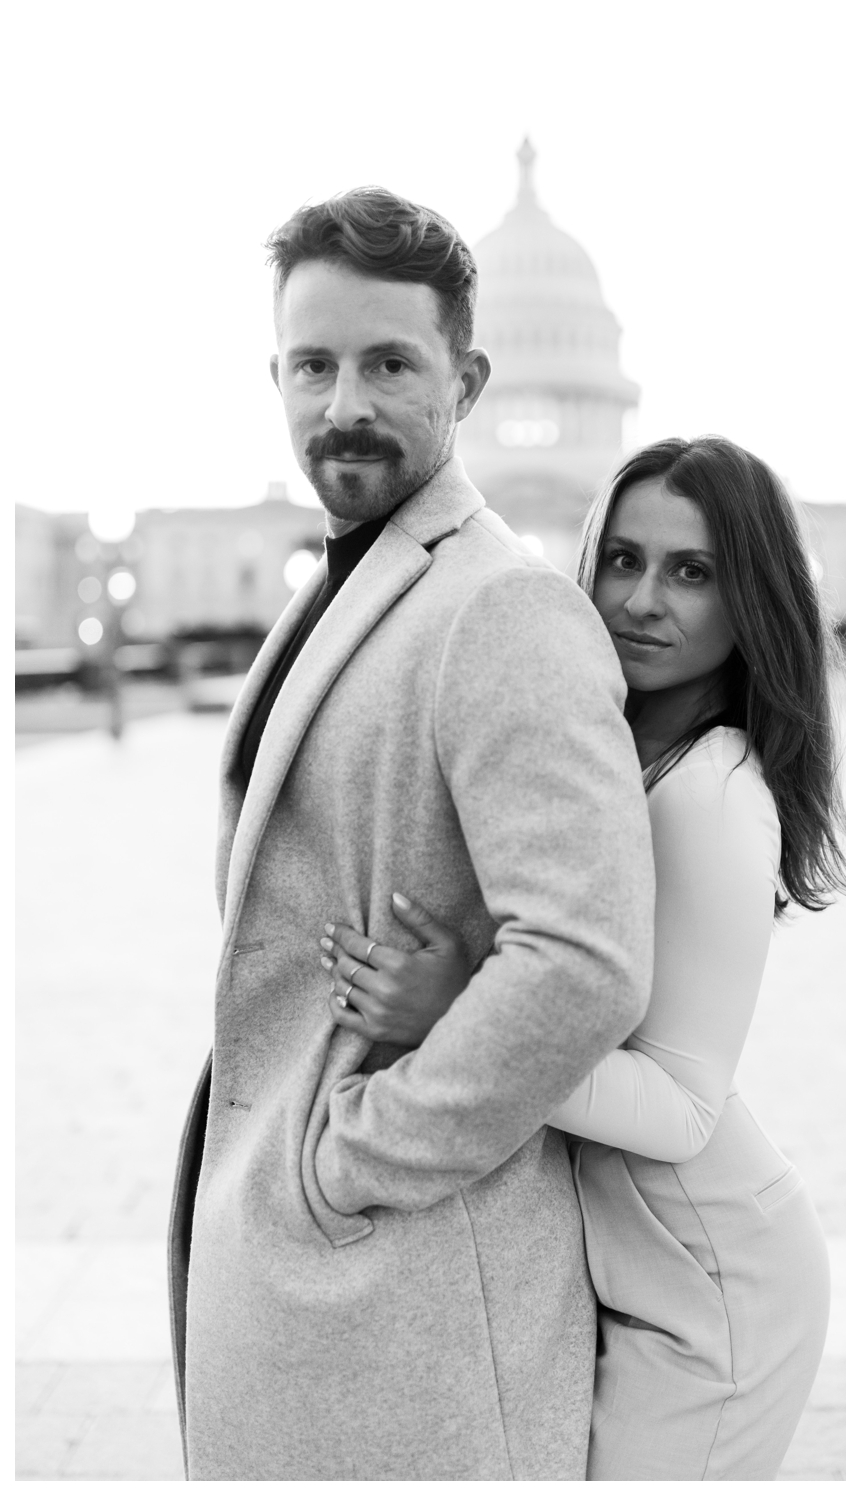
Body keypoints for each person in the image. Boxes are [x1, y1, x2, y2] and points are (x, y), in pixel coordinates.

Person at [166, 188, 657, 1479]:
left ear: (469, 378)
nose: (345, 404)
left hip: (408, 1307)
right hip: (312, 1296)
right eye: (314, 365)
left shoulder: (503, 608)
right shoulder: (343, 588)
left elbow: (587, 960)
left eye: (390, 363)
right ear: (274, 375)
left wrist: (347, 1161)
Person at [321, 437, 846, 1476]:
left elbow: (679, 1104)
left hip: (716, 1287)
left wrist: (462, 1012)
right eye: (621, 559)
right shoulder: (614, 749)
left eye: (691, 571)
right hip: (636, 1266)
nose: (641, 599)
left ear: (752, 599)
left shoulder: (712, 794)